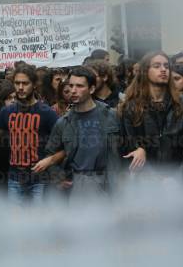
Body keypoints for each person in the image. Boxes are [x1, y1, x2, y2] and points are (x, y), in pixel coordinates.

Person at [34, 67, 122, 198]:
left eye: (79, 86)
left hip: (109, 182)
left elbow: (126, 148)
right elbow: (50, 153)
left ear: (91, 89)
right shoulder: (63, 122)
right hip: (77, 184)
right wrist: (58, 176)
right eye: (71, 85)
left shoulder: (111, 115)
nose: (73, 90)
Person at [0, 64, 59, 205]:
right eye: (17, 83)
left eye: (25, 83)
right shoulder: (6, 112)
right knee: (16, 224)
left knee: (38, 223)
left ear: (34, 85)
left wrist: (49, 160)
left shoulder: (47, 112)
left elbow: (63, 144)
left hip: (40, 179)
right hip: (14, 178)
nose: (20, 87)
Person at [119, 51, 183, 176]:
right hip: (146, 177)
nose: (163, 70)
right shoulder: (131, 107)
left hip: (178, 175)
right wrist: (139, 149)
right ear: (145, 71)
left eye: (166, 66)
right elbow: (127, 142)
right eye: (156, 66)